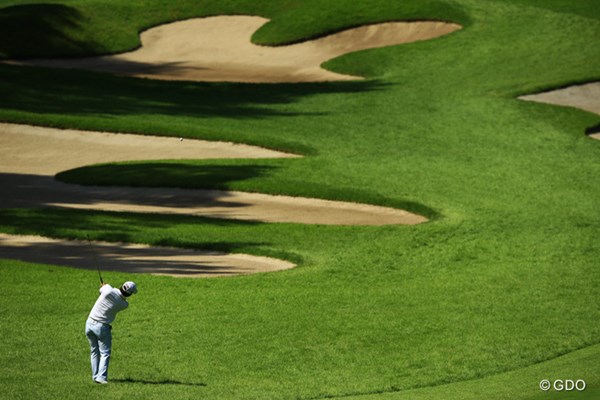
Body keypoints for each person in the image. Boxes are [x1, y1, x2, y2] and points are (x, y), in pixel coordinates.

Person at [85, 281, 138, 384]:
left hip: (89, 323)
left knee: (94, 351)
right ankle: (101, 377)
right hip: (101, 327)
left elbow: (102, 290)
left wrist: (104, 286)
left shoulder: (108, 289)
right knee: (105, 353)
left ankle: (95, 376)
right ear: (129, 294)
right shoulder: (124, 304)